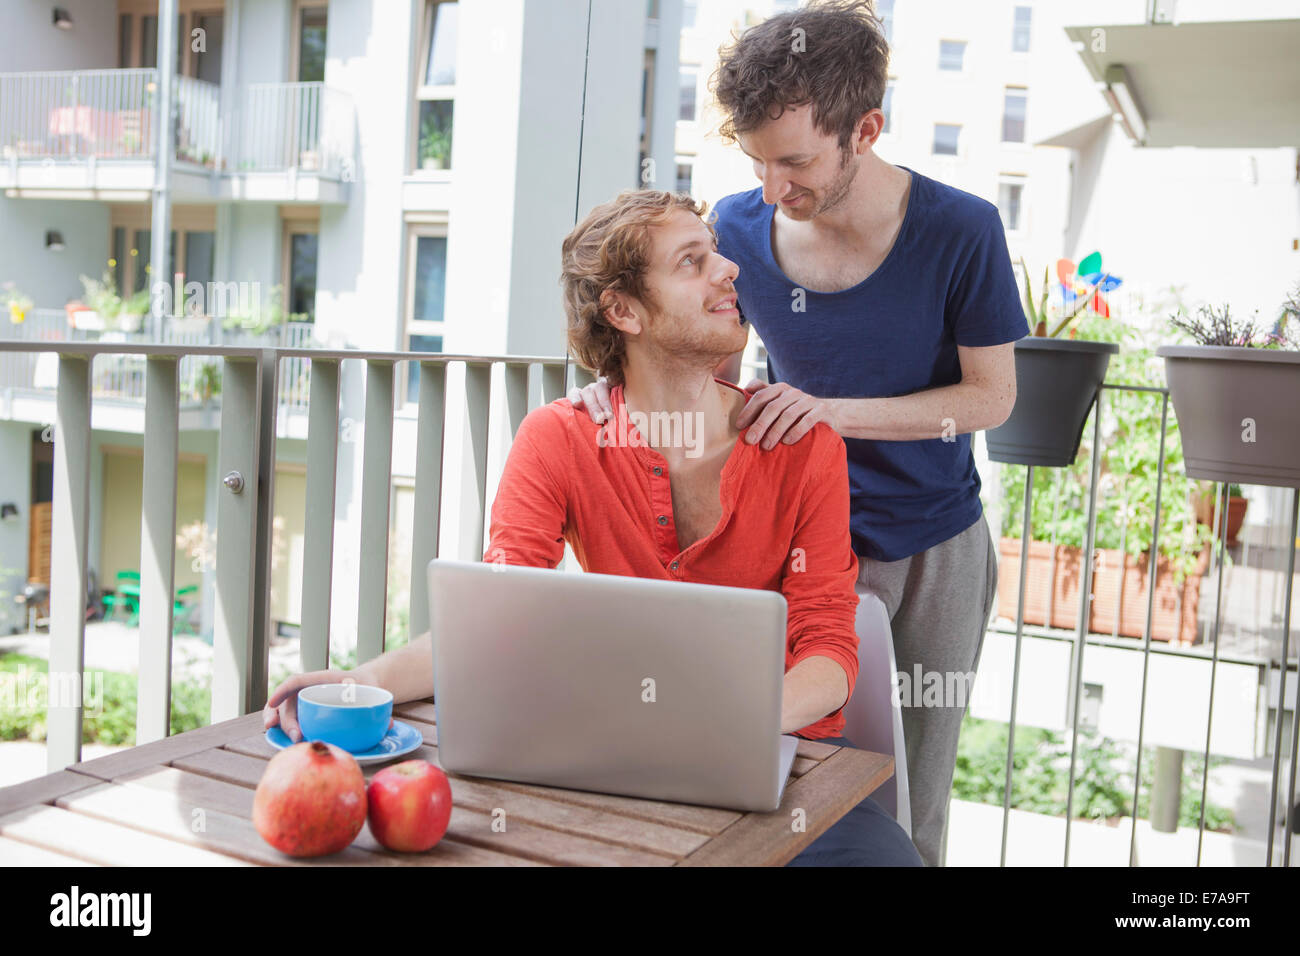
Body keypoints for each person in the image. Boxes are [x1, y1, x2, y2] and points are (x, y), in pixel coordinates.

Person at [266, 188, 922, 867]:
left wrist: (716, 727)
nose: (729, 271)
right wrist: (358, 683)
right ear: (624, 310)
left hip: (778, 759)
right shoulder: (559, 438)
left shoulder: (800, 445)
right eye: (693, 262)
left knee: (884, 861)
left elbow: (828, 653)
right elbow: (499, 615)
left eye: (719, 255)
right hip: (618, 758)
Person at [568, 0, 1023, 866]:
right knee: (774, 770)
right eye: (758, 161)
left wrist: (827, 412)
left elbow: (991, 397)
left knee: (911, 797)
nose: (774, 187)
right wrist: (610, 402)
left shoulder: (961, 230)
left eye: (797, 161)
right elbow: (688, 350)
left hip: (933, 547)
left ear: (867, 127)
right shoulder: (737, 229)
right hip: (792, 542)